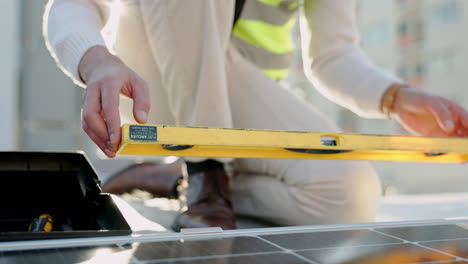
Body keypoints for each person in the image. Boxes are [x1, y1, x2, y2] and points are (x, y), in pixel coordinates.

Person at [43, 0, 468, 231]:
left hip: (239, 100)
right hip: (149, 81)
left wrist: (396, 97)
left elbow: (332, 55)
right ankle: (202, 169)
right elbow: (71, 5)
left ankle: (183, 181)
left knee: (353, 195)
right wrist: (96, 61)